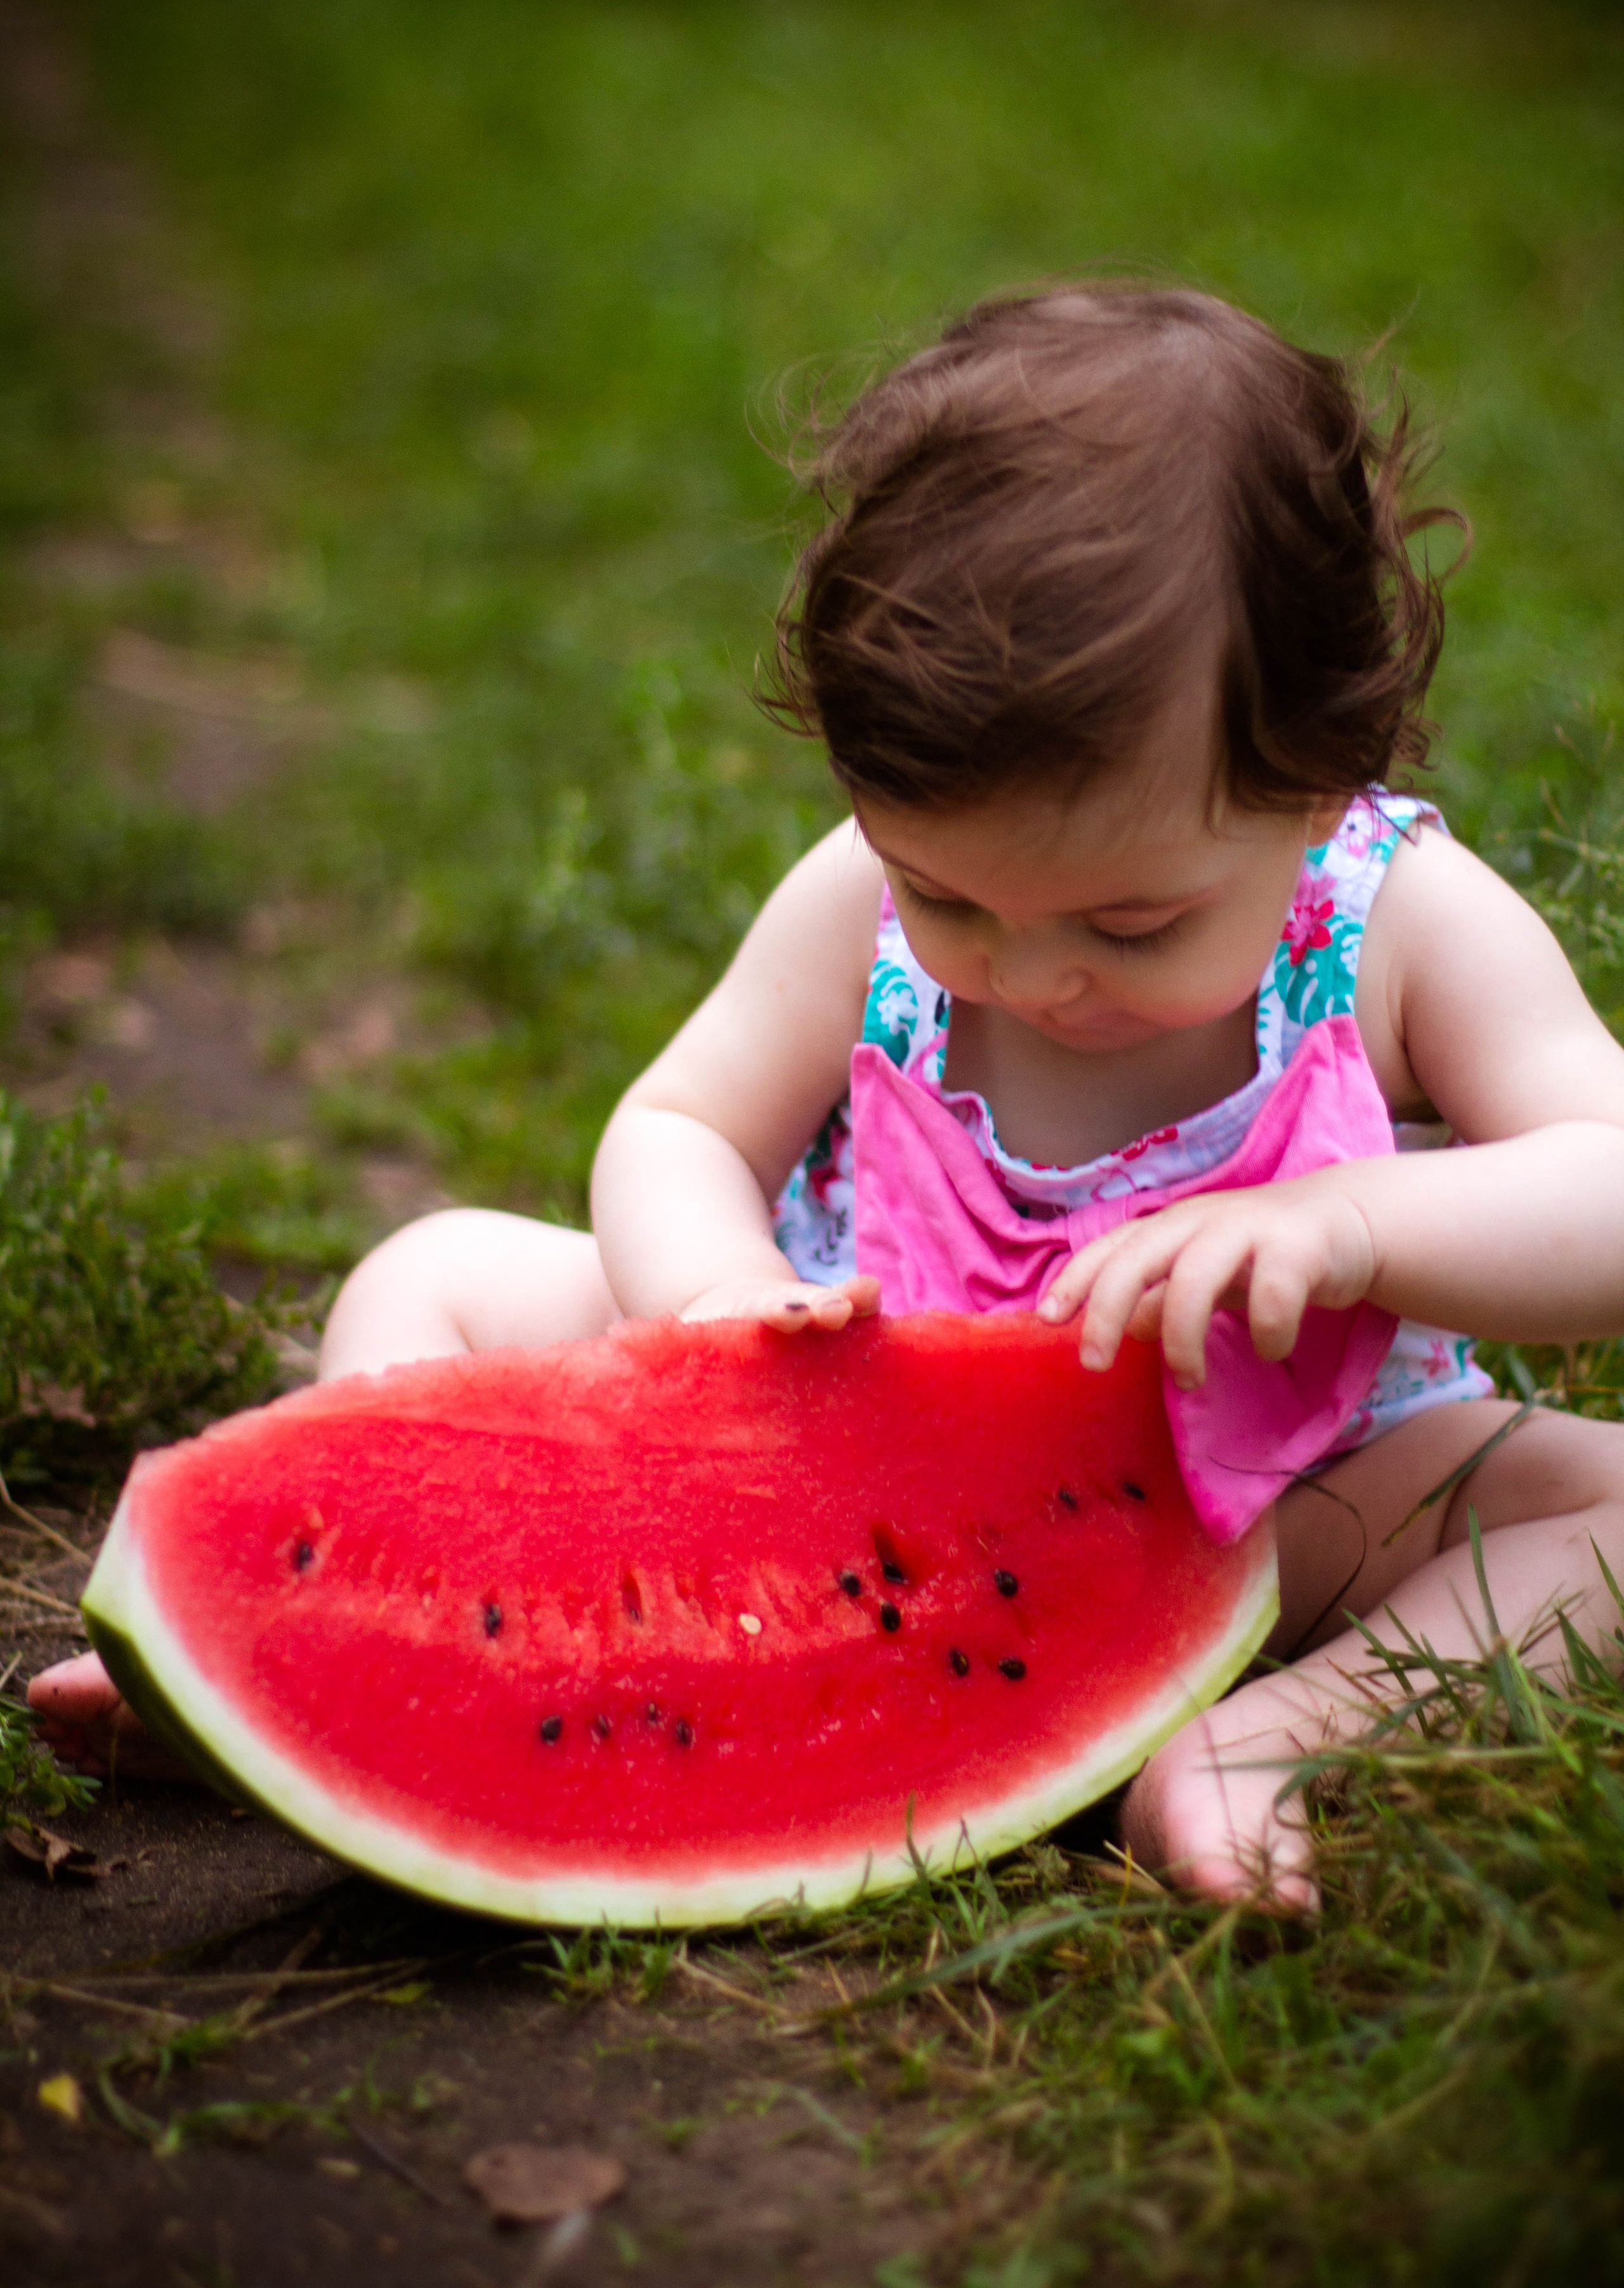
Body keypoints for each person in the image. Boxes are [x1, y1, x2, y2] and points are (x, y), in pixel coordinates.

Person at [34, 284, 1624, 1907]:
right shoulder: (855, 896)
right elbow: (680, 1128)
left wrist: (1353, 1224)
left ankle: (1280, 1734)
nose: (1025, 974)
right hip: (829, 1454)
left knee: (1605, 1505)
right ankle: (330, 1652)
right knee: (431, 1268)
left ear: (1318, 774)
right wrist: (718, 1294)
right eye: (950, 900)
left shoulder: (1394, 926)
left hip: (1279, 1485)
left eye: (1131, 926)